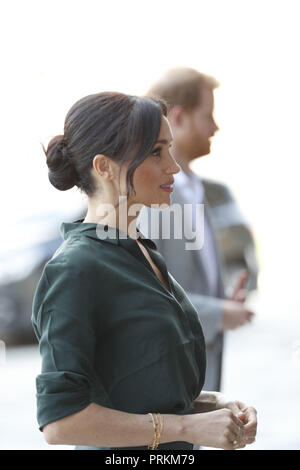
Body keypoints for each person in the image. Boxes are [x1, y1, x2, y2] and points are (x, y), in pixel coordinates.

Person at [31, 91, 257, 450]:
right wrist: (186, 427)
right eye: (156, 152)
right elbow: (61, 422)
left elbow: (131, 387)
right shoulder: (75, 269)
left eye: (169, 149)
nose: (173, 166)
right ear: (104, 167)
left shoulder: (141, 251)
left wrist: (211, 405)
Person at [138, 67, 257, 394]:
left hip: (199, 375)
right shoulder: (153, 198)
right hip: (166, 380)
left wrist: (223, 300)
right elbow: (149, 292)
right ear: (179, 117)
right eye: (208, 116)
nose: (216, 127)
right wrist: (218, 312)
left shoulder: (195, 189)